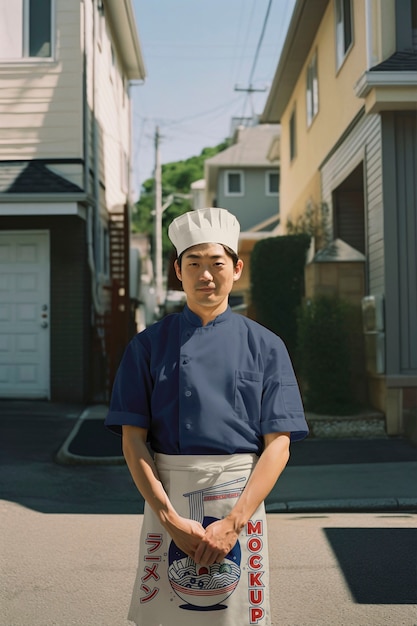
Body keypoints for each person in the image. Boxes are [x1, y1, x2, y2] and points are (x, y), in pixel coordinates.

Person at [105, 207, 309, 626]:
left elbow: (279, 444)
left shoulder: (267, 347)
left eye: (217, 263)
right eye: (193, 264)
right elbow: (133, 440)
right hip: (168, 499)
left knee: (232, 616)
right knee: (168, 614)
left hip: (240, 500)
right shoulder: (147, 347)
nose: (206, 275)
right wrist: (169, 519)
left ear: (236, 268)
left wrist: (234, 522)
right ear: (177, 271)